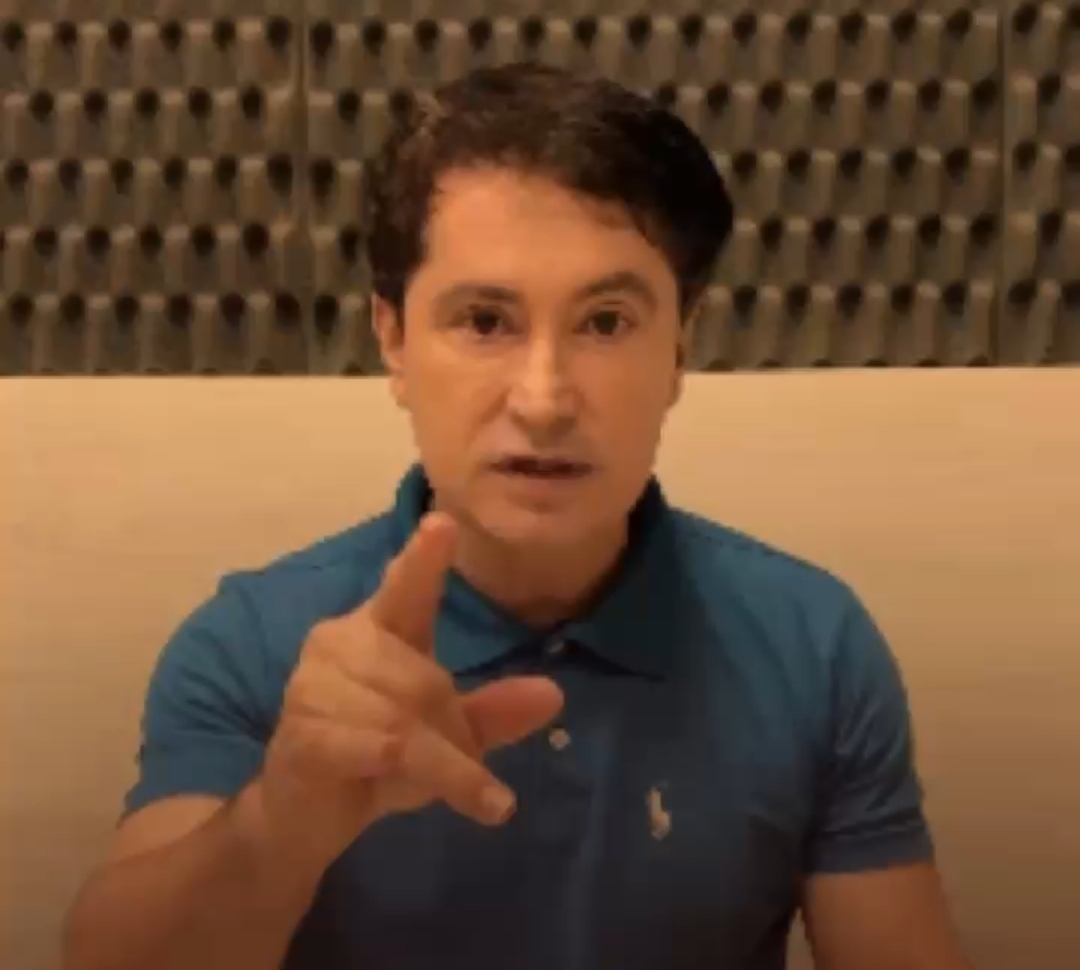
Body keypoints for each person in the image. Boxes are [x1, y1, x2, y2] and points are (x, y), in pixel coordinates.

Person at [62, 63, 974, 970]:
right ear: (393, 338)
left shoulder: (814, 644)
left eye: (606, 323)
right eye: (485, 322)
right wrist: (280, 820)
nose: (543, 401)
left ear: (680, 347)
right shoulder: (255, 645)